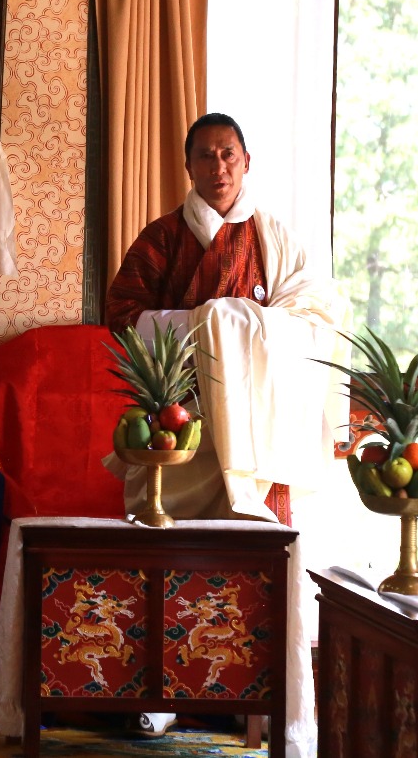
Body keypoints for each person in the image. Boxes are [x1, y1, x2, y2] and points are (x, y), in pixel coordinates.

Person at [105, 112, 349, 754]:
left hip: (259, 433)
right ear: (187, 166)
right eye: (206, 156)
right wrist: (211, 324)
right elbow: (120, 316)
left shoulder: (276, 239)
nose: (218, 168)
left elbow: (318, 317)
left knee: (254, 564)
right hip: (178, 426)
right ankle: (157, 693)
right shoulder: (161, 238)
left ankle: (259, 697)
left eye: (228, 155)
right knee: (167, 559)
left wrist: (236, 322)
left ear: (246, 162)